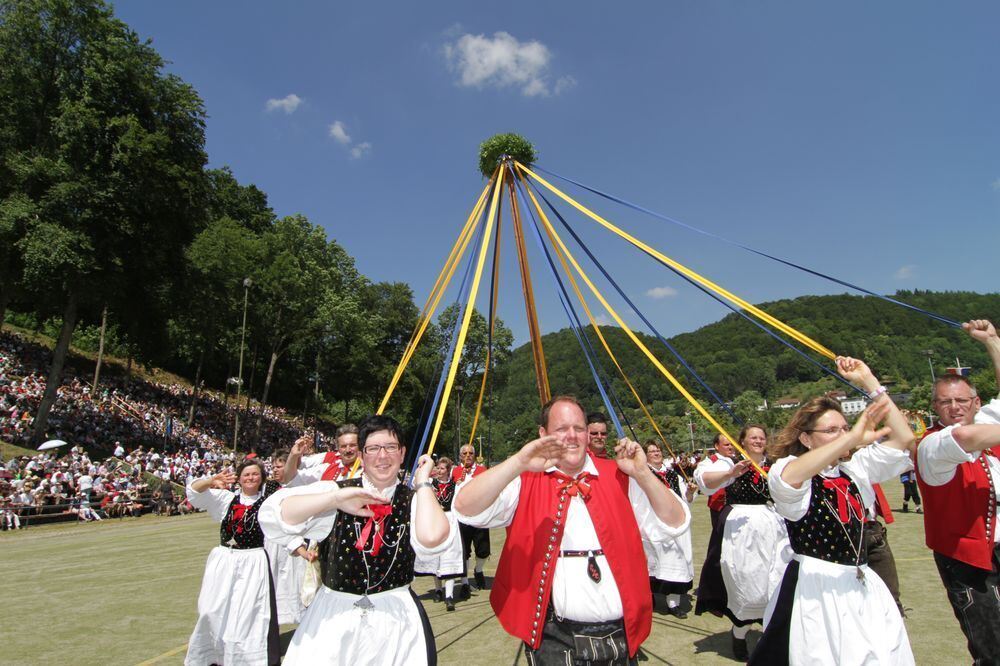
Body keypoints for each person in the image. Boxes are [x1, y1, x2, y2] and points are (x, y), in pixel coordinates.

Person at [453, 395, 690, 664]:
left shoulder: (619, 474)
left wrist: (643, 473)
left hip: (621, 632)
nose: (572, 436)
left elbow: (676, 522)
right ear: (543, 434)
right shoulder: (525, 479)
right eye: (561, 429)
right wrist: (518, 462)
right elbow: (465, 507)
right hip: (553, 635)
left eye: (579, 428)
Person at [751, 357, 916, 665]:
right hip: (817, 590)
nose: (841, 435)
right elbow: (789, 479)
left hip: (861, 583)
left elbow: (904, 439)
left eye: (844, 428)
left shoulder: (855, 469)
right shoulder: (790, 469)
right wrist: (852, 437)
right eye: (830, 431)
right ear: (805, 438)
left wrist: (869, 381)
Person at [259, 414, 455, 666]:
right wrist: (335, 499)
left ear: (403, 453)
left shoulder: (413, 499)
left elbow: (434, 540)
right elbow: (275, 515)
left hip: (397, 619)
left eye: (391, 447)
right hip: (334, 618)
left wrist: (422, 482)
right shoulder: (336, 491)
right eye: (373, 448)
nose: (382, 456)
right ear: (362, 455)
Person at [915, 319, 1000, 664]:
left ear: (976, 402)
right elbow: (966, 438)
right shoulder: (933, 444)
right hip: (968, 560)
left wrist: (992, 342)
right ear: (935, 407)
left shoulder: (985, 423)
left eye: (962, 401)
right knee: (992, 649)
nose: (954, 408)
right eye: (945, 402)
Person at [694, 424, 790, 659]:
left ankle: (772, 637)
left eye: (761, 437)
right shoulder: (729, 463)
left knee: (775, 580)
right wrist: (730, 474)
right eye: (753, 437)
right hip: (741, 529)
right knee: (746, 581)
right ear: (743, 441)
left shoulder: (774, 465)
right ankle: (739, 633)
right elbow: (703, 480)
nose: (758, 440)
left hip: (771, 526)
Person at [185, 458, 280, 666]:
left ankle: (243, 659)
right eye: (246, 474)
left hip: (253, 561)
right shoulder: (226, 499)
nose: (250, 478)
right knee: (210, 610)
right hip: (223, 560)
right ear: (239, 478)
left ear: (262, 478)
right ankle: (212, 655)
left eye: (255, 474)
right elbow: (193, 492)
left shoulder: (268, 504)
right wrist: (211, 480)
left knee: (248, 614)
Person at [644, 441, 693, 618]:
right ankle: (650, 597)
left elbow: (684, 498)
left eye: (658, 450)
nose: (656, 453)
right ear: (646, 455)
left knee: (677, 561)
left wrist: (689, 493)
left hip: (674, 521)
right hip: (654, 522)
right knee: (653, 560)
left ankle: (674, 603)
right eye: (651, 451)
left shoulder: (673, 474)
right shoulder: (643, 474)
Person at [414, 456, 464, 611]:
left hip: (450, 521)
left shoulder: (456, 486)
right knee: (435, 556)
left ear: (448, 470)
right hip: (435, 519)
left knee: (449, 556)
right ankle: (438, 590)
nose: (438, 471)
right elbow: (417, 480)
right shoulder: (430, 484)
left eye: (442, 468)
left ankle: (449, 597)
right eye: (437, 468)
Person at [453, 443, 490, 594]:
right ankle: (465, 582)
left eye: (470, 453)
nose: (467, 456)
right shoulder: (454, 472)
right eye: (464, 453)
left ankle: (479, 570)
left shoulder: (482, 471)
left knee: (483, 549)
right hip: (462, 517)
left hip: (479, 515)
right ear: (460, 456)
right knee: (464, 550)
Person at [694, 434, 736, 530]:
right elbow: (702, 478)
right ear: (717, 446)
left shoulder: (738, 460)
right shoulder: (709, 462)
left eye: (731, 444)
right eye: (726, 445)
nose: (730, 447)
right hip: (720, 507)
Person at [294, 424, 362, 483]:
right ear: (338, 447)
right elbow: (296, 470)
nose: (348, 450)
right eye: (343, 446)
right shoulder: (328, 461)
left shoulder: (368, 470)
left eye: (353, 445)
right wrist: (294, 454)